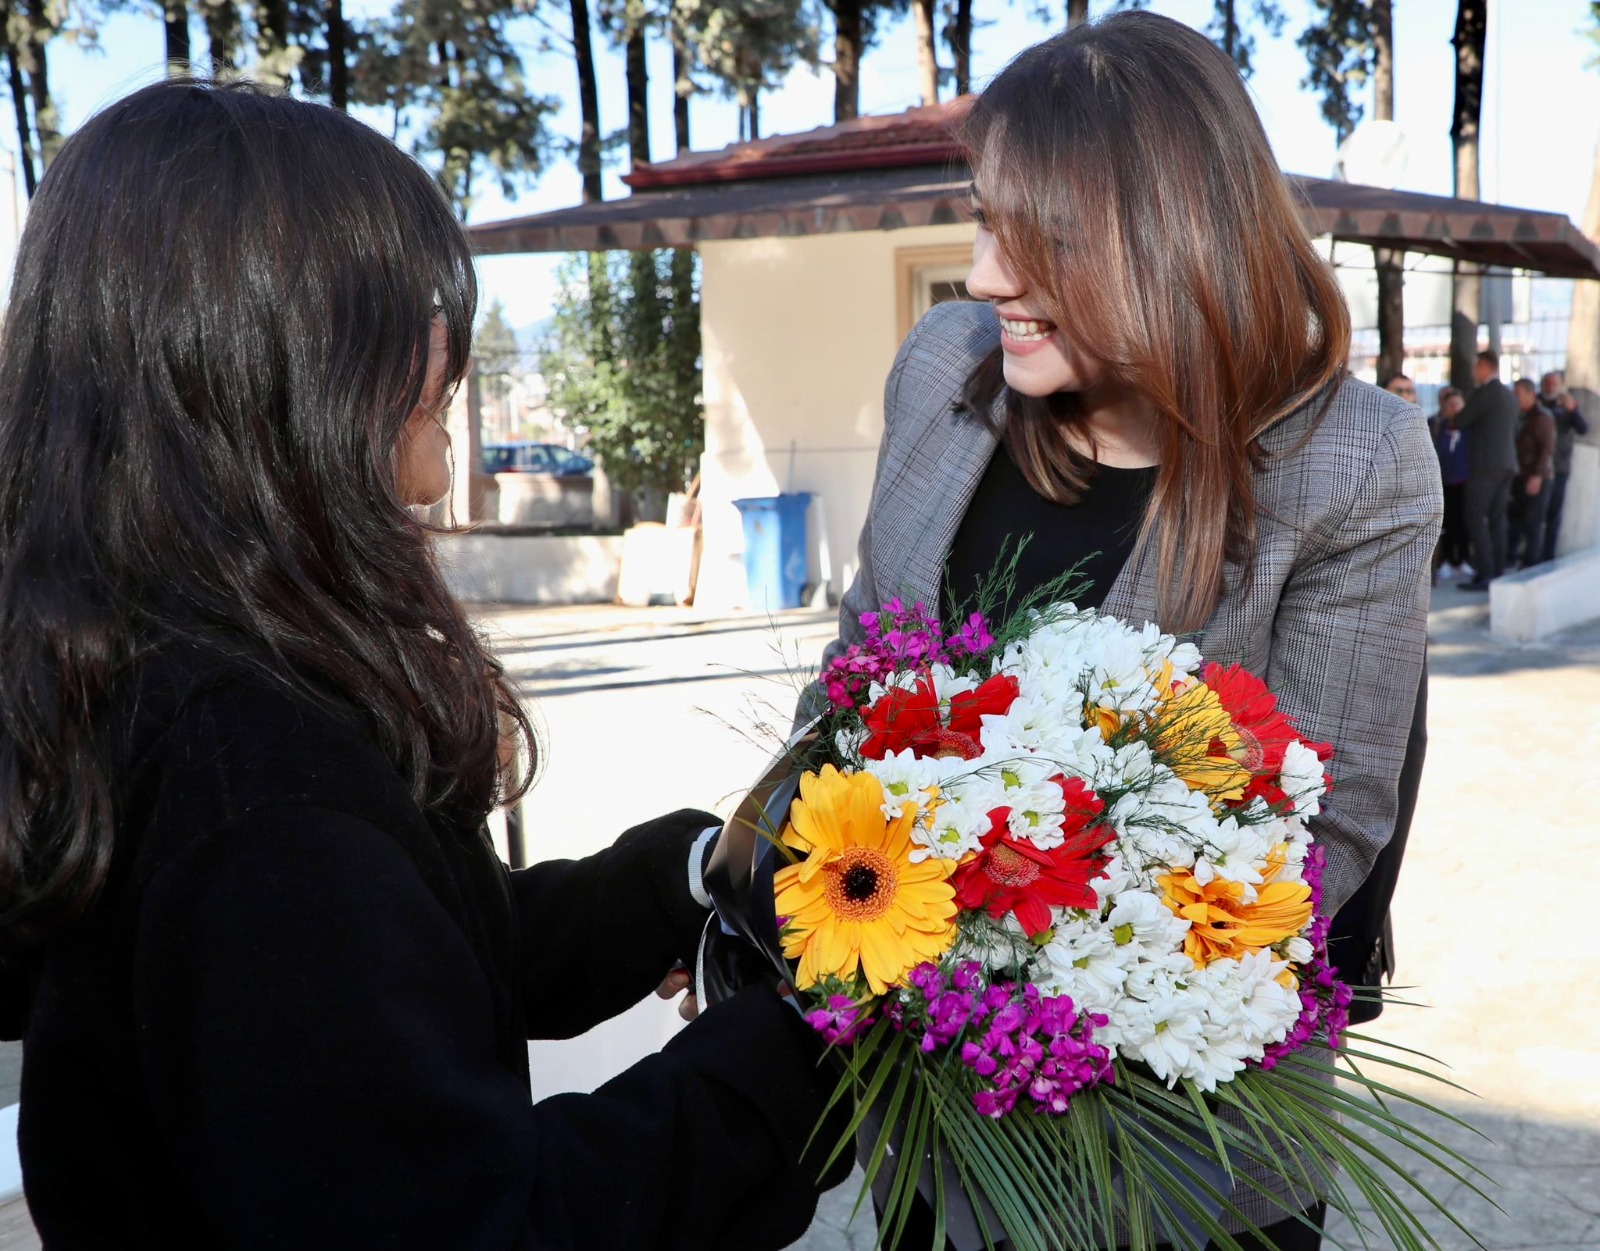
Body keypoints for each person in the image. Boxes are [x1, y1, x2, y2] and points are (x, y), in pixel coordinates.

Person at [0, 81, 844, 1250]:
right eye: (410, 321)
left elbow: (371, 986)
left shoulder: (158, 663)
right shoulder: (255, 787)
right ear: (281, 361)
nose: (445, 356)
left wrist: (672, 881)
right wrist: (800, 1051)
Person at [811, 14, 1439, 1251]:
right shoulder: (944, 368)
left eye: (1036, 240)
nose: (985, 276)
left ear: (1168, 243)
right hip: (933, 1119)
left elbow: (1327, 835)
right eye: (982, 218)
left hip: (1184, 1152)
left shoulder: (1353, 462)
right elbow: (853, 678)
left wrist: (1015, 960)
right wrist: (790, 898)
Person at [1453, 350, 1520, 590]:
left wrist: (1453, 416)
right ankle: (1497, 570)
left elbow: (1460, 421)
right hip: (1507, 464)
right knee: (1497, 519)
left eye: (1475, 367)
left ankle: (1485, 572)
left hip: (1485, 466)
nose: (1473, 372)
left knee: (1475, 518)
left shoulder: (1486, 393)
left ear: (1483, 366)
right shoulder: (1509, 394)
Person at [1538, 371, 1591, 561]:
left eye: (1554, 384)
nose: (1550, 387)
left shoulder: (1566, 408)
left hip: (1559, 469)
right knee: (1533, 514)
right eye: (1547, 383)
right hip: (1536, 469)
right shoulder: (1536, 405)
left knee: (1553, 514)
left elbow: (1583, 428)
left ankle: (1547, 556)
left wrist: (1573, 409)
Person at [1507, 379, 1556, 570]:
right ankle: (1515, 558)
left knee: (1533, 522)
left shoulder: (1541, 417)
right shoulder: (1521, 416)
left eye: (1518, 393)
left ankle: (1531, 563)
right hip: (1521, 475)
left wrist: (1537, 475)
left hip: (1538, 477)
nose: (1515, 397)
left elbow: (1546, 448)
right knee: (1518, 520)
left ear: (1530, 394)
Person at [1433, 387, 1471, 580]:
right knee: (1446, 524)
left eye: (1458, 405)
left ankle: (1462, 560)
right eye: (1451, 405)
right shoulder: (1438, 426)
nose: (1455, 409)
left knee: (1463, 523)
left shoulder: (1470, 428)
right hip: (1445, 482)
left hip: (1465, 482)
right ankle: (1446, 560)